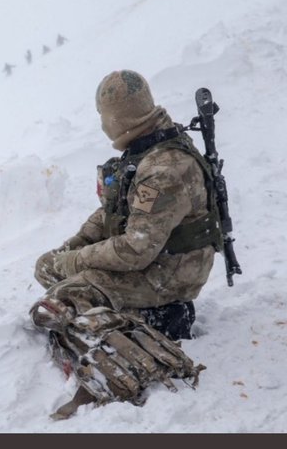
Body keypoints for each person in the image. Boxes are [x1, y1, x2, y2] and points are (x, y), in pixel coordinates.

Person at [31, 71, 221, 414]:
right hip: (153, 258)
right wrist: (72, 247)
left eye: (104, 117)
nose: (103, 126)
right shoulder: (144, 147)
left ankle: (136, 354)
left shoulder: (163, 169)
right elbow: (112, 211)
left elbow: (136, 249)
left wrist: (75, 262)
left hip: (172, 273)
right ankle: (135, 314)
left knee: (64, 298)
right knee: (49, 270)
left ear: (118, 118)